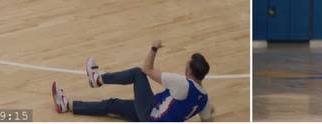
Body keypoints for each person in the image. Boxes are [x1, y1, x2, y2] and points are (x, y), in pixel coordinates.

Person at [51, 40, 214, 121]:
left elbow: (147, 69)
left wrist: (154, 48)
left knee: (137, 73)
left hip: (151, 114)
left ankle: (98, 79)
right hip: (151, 113)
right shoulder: (205, 99)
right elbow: (207, 120)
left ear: (189, 71)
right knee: (111, 105)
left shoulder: (182, 83)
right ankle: (66, 105)